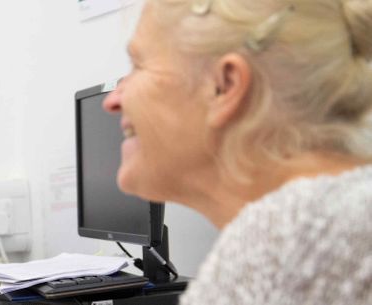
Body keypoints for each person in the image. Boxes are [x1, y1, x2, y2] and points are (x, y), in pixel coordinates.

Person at [103, 0, 372, 303]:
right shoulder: (334, 216)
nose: (112, 100)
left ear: (224, 85)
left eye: (138, 65)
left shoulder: (284, 240)